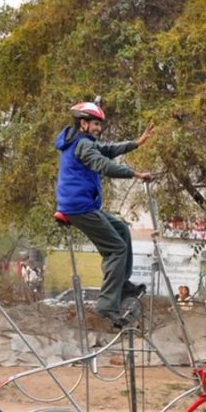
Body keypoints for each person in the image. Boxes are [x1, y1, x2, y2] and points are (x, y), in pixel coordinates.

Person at [54, 100, 155, 326]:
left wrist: (136, 143)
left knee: (121, 229)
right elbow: (103, 164)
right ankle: (106, 306)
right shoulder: (83, 146)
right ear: (83, 123)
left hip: (81, 205)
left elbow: (107, 150)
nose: (99, 129)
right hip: (79, 207)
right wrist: (135, 174)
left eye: (100, 125)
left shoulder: (81, 142)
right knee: (116, 249)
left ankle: (122, 284)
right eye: (96, 124)